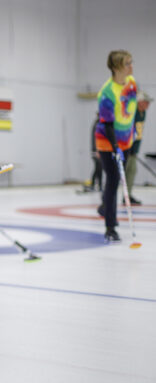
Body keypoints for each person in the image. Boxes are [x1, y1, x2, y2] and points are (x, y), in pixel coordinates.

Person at [95, 50, 137, 243]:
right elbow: (107, 123)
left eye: (131, 62)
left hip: (126, 140)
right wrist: (115, 147)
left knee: (119, 178)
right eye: (127, 63)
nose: (131, 66)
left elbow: (131, 110)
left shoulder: (132, 84)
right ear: (116, 67)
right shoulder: (107, 91)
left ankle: (105, 207)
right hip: (107, 141)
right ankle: (110, 226)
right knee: (112, 180)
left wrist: (132, 132)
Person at [124, 90, 152, 205]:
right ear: (139, 102)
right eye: (146, 102)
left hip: (134, 149)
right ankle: (111, 197)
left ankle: (127, 196)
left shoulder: (143, 113)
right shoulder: (132, 112)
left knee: (132, 171)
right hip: (126, 148)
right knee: (122, 173)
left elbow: (138, 132)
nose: (148, 104)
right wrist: (127, 146)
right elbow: (126, 129)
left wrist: (135, 149)